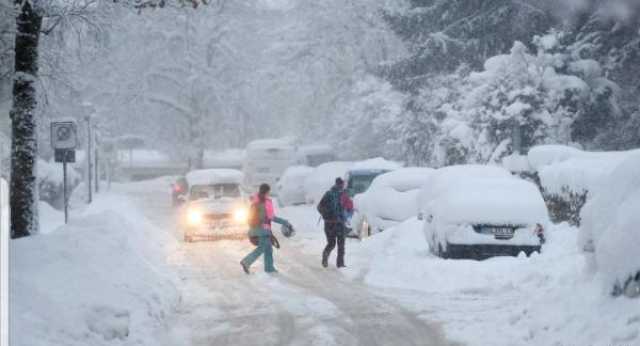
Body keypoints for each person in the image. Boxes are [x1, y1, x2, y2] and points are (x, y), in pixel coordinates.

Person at [241, 183, 291, 274]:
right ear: (267, 191)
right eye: (269, 191)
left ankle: (269, 268)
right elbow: (272, 217)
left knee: (268, 248)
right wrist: (284, 222)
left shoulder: (255, 201)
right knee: (261, 248)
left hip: (254, 229)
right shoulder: (266, 202)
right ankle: (246, 262)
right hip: (263, 230)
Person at [318, 178, 353, 268]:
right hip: (339, 223)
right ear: (341, 185)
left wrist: (326, 215)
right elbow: (350, 207)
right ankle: (340, 264)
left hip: (329, 223)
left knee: (331, 243)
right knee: (341, 245)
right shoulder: (343, 195)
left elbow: (319, 207)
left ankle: (325, 255)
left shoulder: (328, 194)